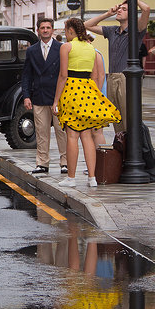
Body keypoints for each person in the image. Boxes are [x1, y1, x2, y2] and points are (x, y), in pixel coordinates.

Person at [53, 18, 121, 188]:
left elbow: (63, 76)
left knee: (72, 135)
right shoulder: (92, 49)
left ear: (70, 30)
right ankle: (92, 178)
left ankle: (71, 177)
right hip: (88, 92)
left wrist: (56, 100)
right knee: (87, 137)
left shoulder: (66, 47)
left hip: (72, 91)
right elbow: (97, 76)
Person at [85, 0, 150, 132]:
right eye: (119, 8)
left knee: (129, 118)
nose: (119, 10)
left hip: (127, 78)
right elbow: (87, 25)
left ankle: (133, 150)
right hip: (112, 77)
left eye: (124, 9)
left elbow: (146, 9)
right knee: (117, 118)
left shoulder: (136, 30)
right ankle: (121, 147)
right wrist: (107, 14)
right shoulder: (112, 31)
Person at [21, 18, 68, 175]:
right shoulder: (32, 50)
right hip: (39, 96)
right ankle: (42, 163)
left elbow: (65, 74)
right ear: (38, 30)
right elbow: (26, 75)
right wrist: (26, 96)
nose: (46, 30)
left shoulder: (61, 48)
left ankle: (65, 162)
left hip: (58, 97)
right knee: (41, 132)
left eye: (48, 27)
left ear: (53, 30)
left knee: (62, 132)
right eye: (43, 28)